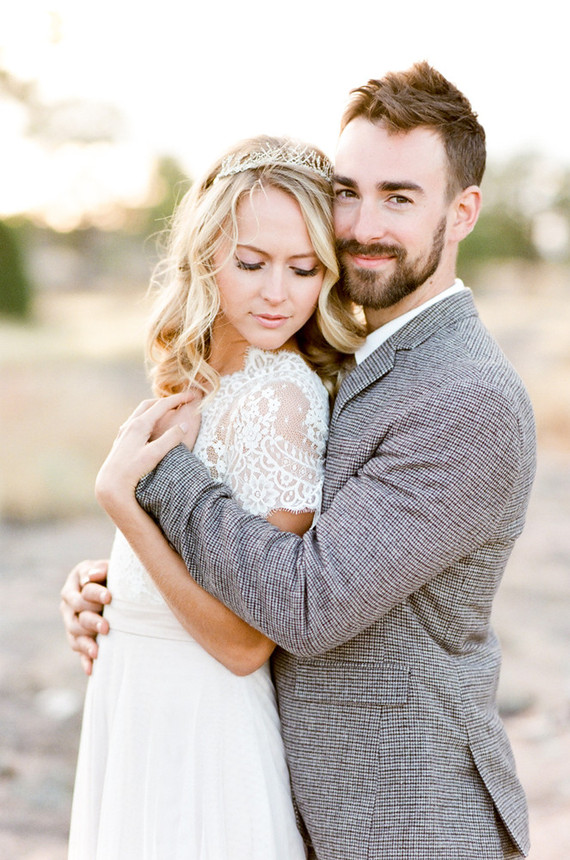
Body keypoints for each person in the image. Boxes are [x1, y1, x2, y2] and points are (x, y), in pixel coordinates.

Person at [62, 62, 536, 859]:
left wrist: (148, 482)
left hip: (403, 826)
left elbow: (309, 601)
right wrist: (120, 582)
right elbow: (264, 530)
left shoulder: (467, 397)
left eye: (399, 197)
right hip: (274, 795)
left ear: (462, 212)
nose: (362, 224)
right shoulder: (355, 360)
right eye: (348, 191)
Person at [64, 134, 365, 860]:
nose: (277, 293)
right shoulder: (195, 381)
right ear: (205, 255)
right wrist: (103, 585)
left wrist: (120, 504)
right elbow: (184, 563)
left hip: (203, 738)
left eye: (304, 268)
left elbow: (243, 643)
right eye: (252, 263)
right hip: (136, 711)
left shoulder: (282, 398)